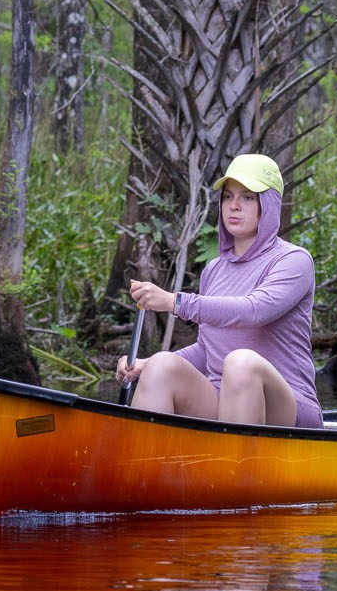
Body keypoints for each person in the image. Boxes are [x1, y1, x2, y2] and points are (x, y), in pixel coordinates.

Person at [115, 154, 322, 428]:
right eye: (227, 196)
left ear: (268, 204)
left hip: (289, 408)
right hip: (223, 400)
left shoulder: (294, 261)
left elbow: (254, 310)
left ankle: (241, 470)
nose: (234, 206)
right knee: (161, 366)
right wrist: (145, 363)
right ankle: (150, 468)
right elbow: (207, 349)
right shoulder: (213, 270)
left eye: (248, 197)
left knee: (241, 363)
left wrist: (174, 302)